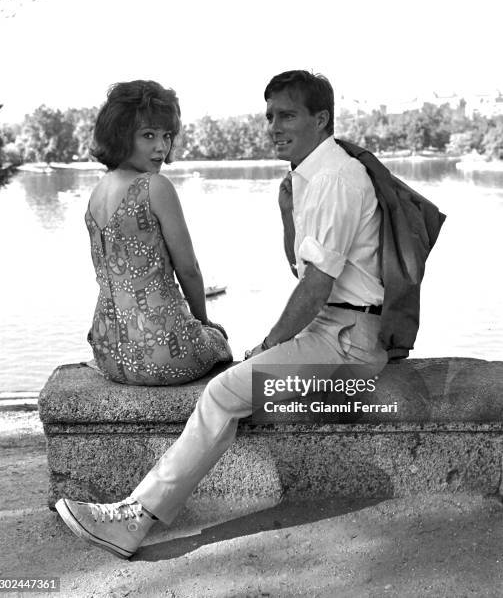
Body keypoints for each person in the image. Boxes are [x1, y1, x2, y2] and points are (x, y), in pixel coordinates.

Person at [56, 70, 388, 559]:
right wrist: (286, 212)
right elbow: (305, 271)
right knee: (234, 376)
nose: (274, 125)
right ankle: (135, 514)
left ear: (322, 120)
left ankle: (135, 518)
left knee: (223, 390)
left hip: (348, 341)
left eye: (287, 115)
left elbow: (316, 287)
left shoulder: (337, 177)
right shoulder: (310, 177)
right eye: (270, 114)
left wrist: (272, 343)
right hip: (332, 327)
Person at [83, 80, 232, 386]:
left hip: (108, 352)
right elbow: (188, 269)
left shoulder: (97, 192)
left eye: (166, 136)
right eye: (148, 135)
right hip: (163, 351)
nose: (161, 147)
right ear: (120, 134)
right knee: (220, 342)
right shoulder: (154, 186)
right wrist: (203, 322)